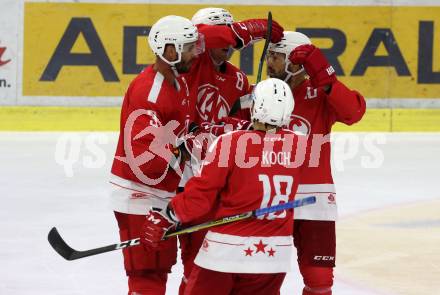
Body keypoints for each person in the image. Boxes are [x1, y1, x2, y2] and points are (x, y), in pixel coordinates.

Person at [110, 14, 282, 295]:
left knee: (176, 270)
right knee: (148, 277)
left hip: (173, 189)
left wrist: (221, 129)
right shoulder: (152, 91)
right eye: (190, 47)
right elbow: (148, 162)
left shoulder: (177, 81)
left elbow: (186, 130)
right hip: (143, 192)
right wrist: (190, 145)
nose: (196, 52)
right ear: (170, 50)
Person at [141, 78, 307, 295]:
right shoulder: (300, 144)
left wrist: (167, 215)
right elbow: (268, 149)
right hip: (274, 257)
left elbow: (200, 196)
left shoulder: (230, 142)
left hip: (225, 254)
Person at [177, 8, 284, 294]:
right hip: (183, 174)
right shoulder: (193, 60)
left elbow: (244, 123)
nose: (228, 45)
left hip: (218, 174)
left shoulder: (237, 78)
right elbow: (206, 35)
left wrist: (254, 106)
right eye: (223, 35)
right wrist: (252, 29)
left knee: (210, 259)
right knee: (194, 261)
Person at [266, 31, 366, 295]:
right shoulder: (260, 94)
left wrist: (327, 78)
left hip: (315, 199)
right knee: (261, 278)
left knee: (319, 281)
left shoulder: (320, 91)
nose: (269, 63)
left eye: (276, 57)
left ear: (295, 63)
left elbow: (354, 112)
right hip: (269, 195)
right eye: (269, 56)